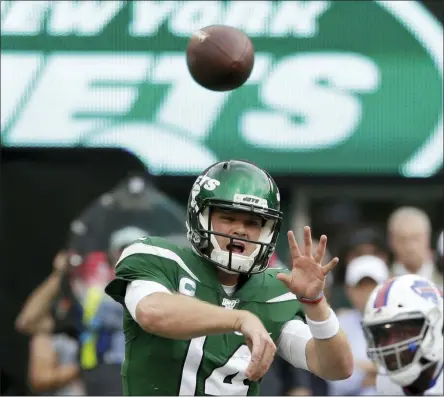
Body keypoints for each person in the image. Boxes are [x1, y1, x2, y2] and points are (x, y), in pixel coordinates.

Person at [105, 160, 353, 396]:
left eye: (253, 222)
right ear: (199, 216)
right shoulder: (158, 256)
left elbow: (336, 368)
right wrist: (240, 319)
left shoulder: (275, 289)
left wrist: (316, 304)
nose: (241, 230)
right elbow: (151, 311)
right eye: (228, 217)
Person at [362, 274, 443, 395]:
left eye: (403, 332)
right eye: (382, 335)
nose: (390, 345)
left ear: (436, 326)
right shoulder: (386, 383)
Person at [328, 255, 389, 395]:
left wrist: (361, 367)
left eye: (372, 285)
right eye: (360, 286)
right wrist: (381, 371)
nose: (367, 293)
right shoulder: (338, 324)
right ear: (348, 290)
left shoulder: (401, 322)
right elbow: (336, 379)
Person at [387, 206, 442, 285]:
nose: (410, 247)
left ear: (427, 238)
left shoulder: (440, 279)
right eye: (403, 239)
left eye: (416, 238)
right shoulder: (381, 281)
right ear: (392, 241)